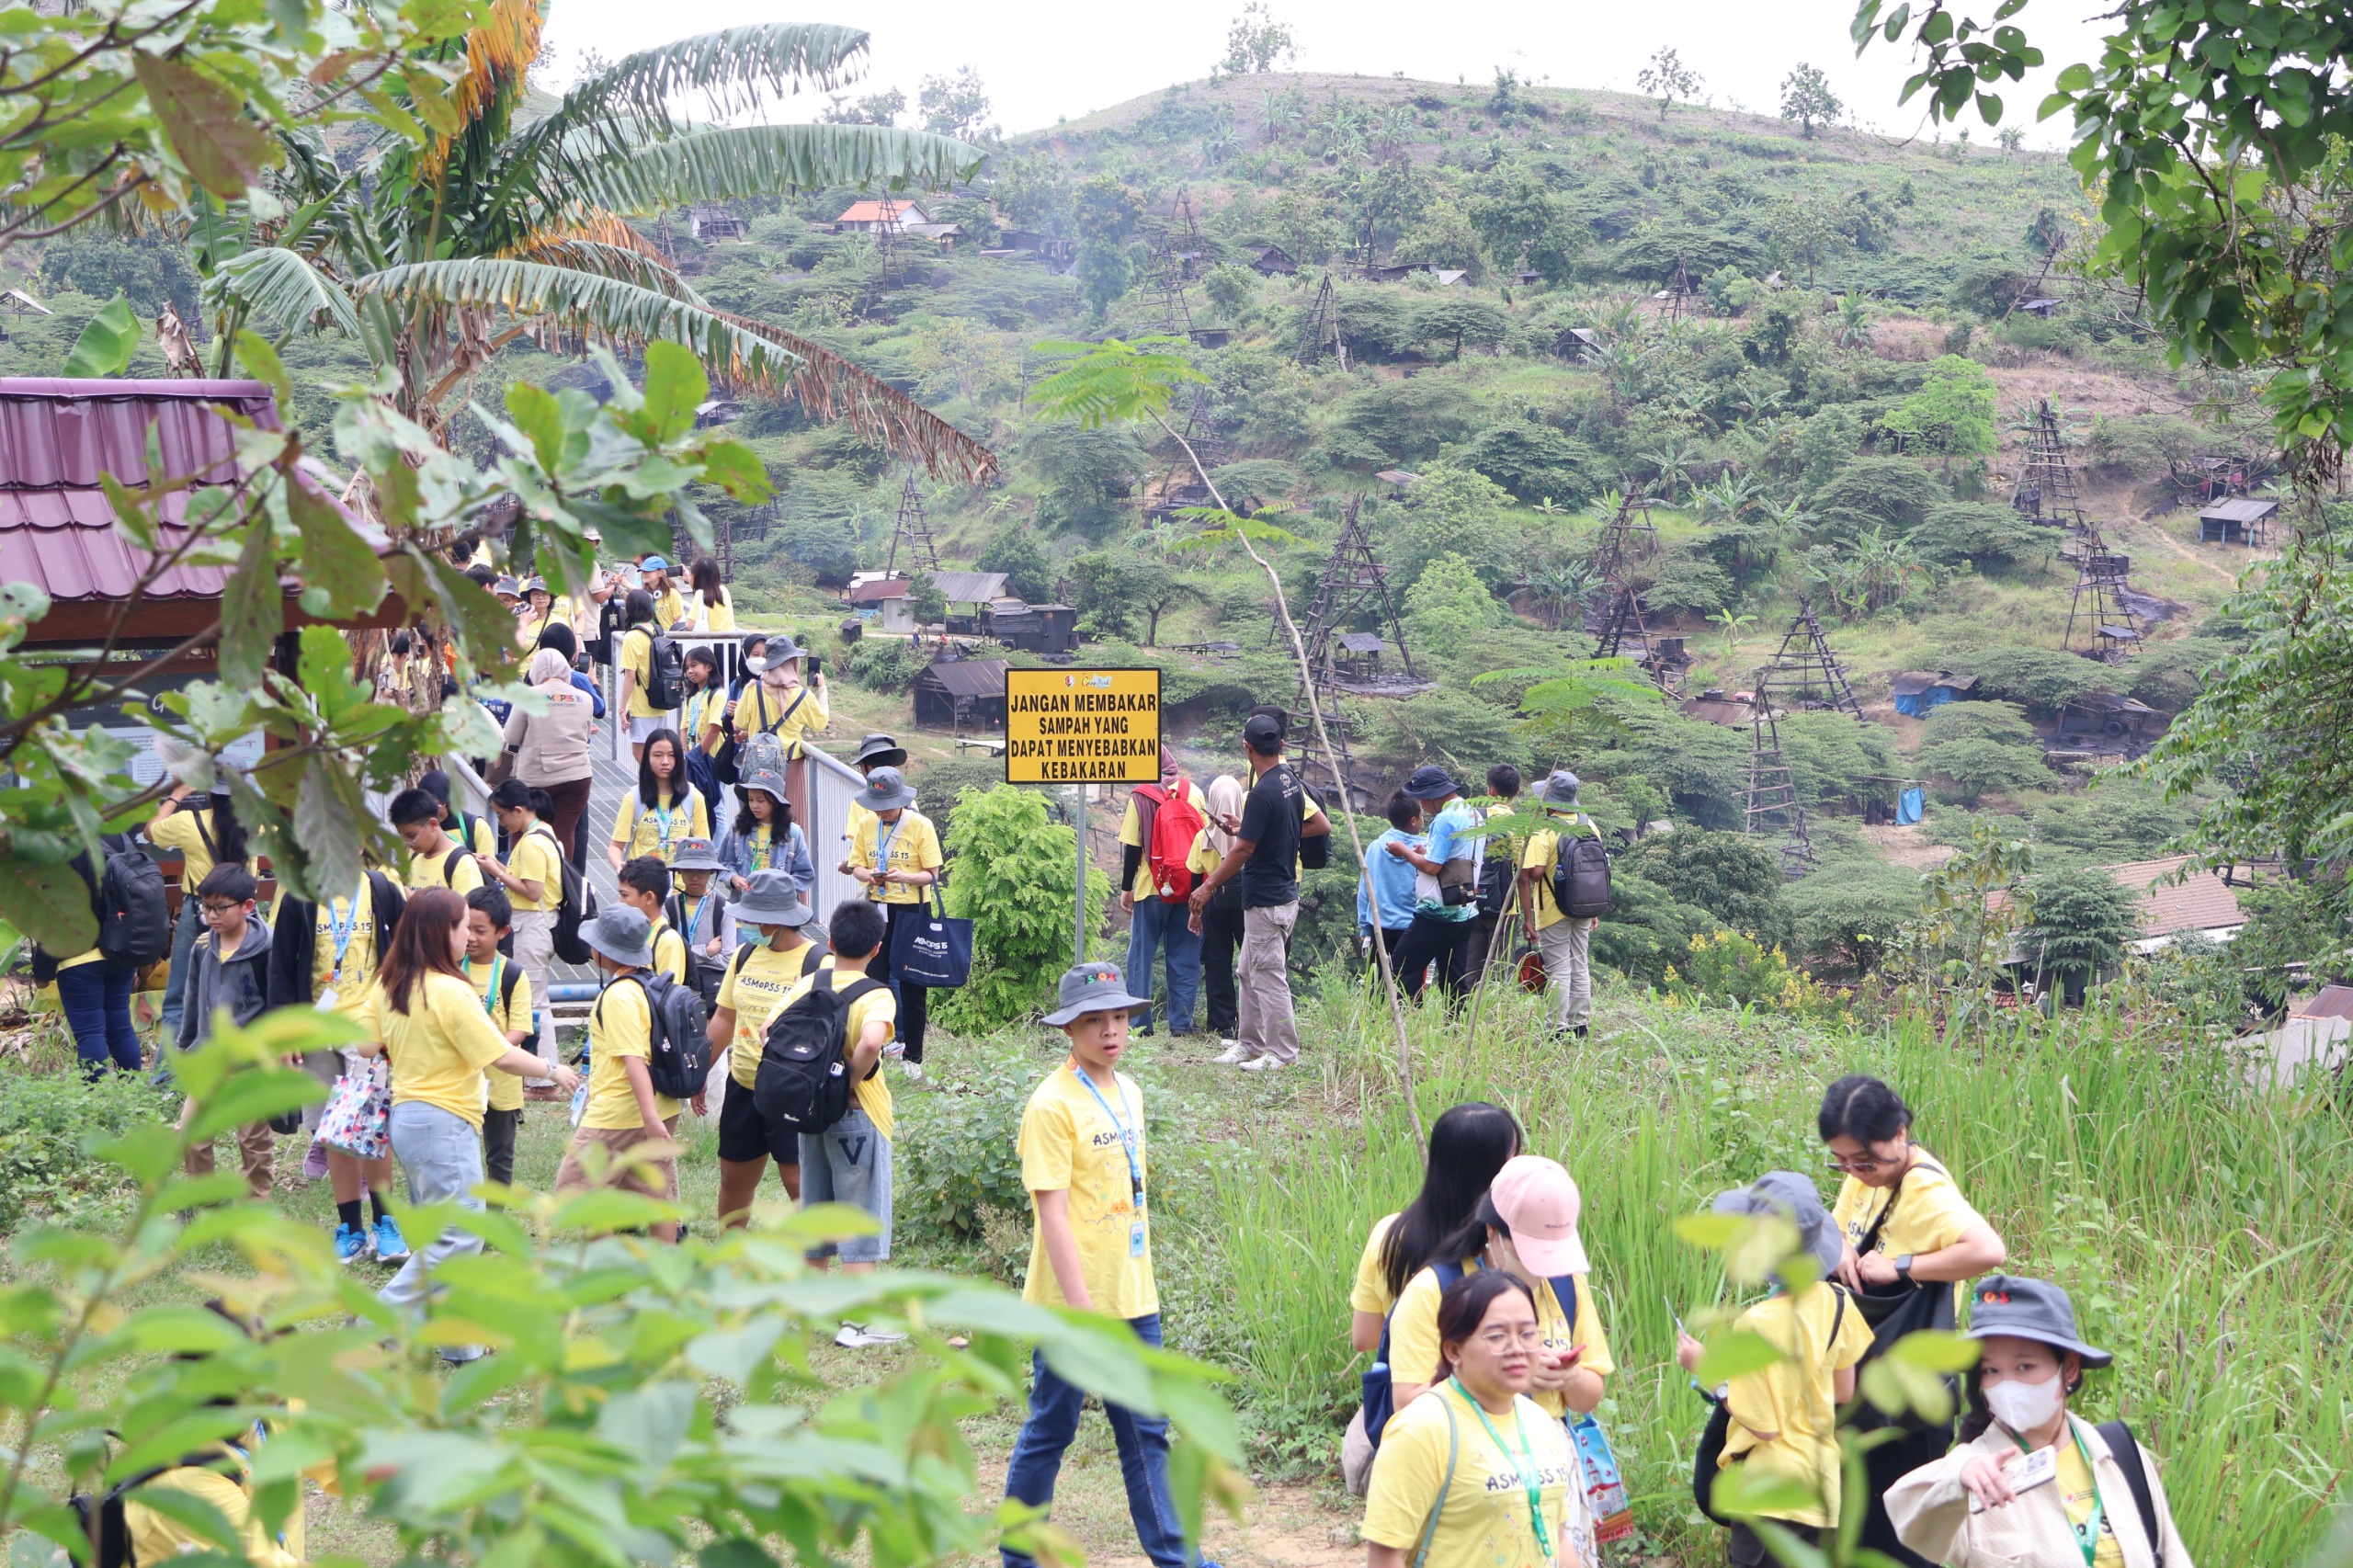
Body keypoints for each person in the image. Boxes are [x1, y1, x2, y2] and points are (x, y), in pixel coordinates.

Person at [1002, 961, 1220, 1568]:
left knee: (1146, 1429)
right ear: (1068, 1029)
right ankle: (1019, 1557)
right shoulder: (1051, 1105)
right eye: (1094, 1021)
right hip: (1071, 1305)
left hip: (1132, 1295)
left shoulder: (1131, 1093)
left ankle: (1177, 1558)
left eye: (1119, 1017)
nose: (1110, 1031)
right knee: (1053, 1426)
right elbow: (1052, 1214)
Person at [351, 890, 577, 1358]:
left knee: (441, 1235)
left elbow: (365, 1046)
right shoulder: (451, 990)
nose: (468, 936)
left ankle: (460, 1347)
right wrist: (552, 1070)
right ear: (443, 932)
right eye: (462, 926)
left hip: (407, 1119)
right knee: (461, 1235)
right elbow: (500, 1055)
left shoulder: (390, 982)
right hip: (444, 1121)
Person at [1820, 1074, 2011, 1568]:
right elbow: (1837, 1228)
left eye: (1864, 1161)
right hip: (1866, 1377)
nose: (1854, 1171)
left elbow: (1989, 1250)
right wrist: (1840, 1249)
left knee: (1899, 1535)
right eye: (1841, 1161)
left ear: (1900, 1134)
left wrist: (1901, 1266)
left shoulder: (1926, 1189)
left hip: (1908, 1392)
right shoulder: (1866, 1174)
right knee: (1854, 1524)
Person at [1886, 1277, 2194, 1568]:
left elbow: (2172, 1556)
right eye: (1991, 1370)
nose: (2007, 1384)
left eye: (2024, 1366)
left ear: (2069, 1368)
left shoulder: (2119, 1455)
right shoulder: (1976, 1473)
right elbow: (1904, 1509)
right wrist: (1961, 1476)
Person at [1676, 1172, 1874, 1563]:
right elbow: (1844, 1391)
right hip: (1820, 1488)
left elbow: (1763, 1424)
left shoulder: (1759, 1323)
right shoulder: (1839, 1302)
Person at [1341, 1102, 1524, 1494]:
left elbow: (1364, 1338)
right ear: (1493, 1172)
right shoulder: (1500, 1252)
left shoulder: (1389, 1233)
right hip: (1482, 1430)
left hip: (1409, 1424)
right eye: (1513, 1157)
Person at [1361, 1270, 1586, 1568]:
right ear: (1454, 1350)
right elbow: (1385, 1556)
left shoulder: (1540, 1421)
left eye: (1527, 1333)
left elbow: (1557, 1537)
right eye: (1496, 1336)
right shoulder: (1421, 1428)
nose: (1517, 1348)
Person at [1383, 1156, 1614, 1429]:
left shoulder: (1566, 1283)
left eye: (1553, 1253)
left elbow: (1588, 1397)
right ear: (1491, 1231)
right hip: (1465, 1449)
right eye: (1529, 1252)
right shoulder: (1432, 1290)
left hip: (1549, 1448)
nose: (1542, 1269)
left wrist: (1569, 1376)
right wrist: (1505, 1379)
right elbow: (1407, 1406)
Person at [267, 865, 409, 1264]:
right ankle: (350, 1229)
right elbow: (281, 966)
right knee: (333, 1131)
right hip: (316, 1029)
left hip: (368, 1030)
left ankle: (385, 1223)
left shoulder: (382, 889)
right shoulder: (299, 894)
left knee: (371, 1127)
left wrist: (398, 1020)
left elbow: (406, 956)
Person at [1188, 713, 1328, 1072]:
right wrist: (1249, 827)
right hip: (1278, 894)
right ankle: (1250, 1044)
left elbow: (1243, 850)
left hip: (1268, 899)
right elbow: (1300, 825)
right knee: (1248, 972)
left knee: (1268, 975)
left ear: (1247, 747)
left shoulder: (1263, 791)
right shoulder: (1289, 781)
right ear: (1281, 745)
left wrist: (1207, 886)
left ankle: (1282, 1053)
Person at [789, 901, 900, 1317]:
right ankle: (856, 1321)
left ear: (831, 941)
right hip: (858, 1113)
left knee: (815, 1212)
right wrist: (845, 1084)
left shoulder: (809, 984)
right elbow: (871, 1041)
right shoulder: (876, 994)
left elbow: (768, 1031)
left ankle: (812, 1312)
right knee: (858, 1217)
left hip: (811, 1113)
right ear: (877, 948)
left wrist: (815, 1086)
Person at [555, 904, 683, 1240]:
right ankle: (664, 1268)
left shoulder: (619, 995)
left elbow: (633, 1060)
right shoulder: (649, 984)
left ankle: (606, 1263)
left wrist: (649, 1120)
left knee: (582, 1195)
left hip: (620, 1111)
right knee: (657, 1196)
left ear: (606, 950)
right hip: (660, 1104)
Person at [700, 871, 824, 1213]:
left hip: (792, 1092)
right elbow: (724, 1017)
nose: (745, 925)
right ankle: (732, 1248)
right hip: (743, 1085)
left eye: (752, 919)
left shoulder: (818, 963)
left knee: (799, 1185)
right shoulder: (744, 955)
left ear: (777, 921)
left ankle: (815, 1250)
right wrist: (700, 1075)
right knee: (733, 1182)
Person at [173, 864, 277, 1199]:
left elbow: (278, 1005)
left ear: (248, 906)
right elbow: (192, 999)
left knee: (253, 1141)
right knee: (191, 1133)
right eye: (206, 907)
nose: (211, 916)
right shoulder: (203, 946)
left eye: (220, 907)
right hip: (208, 1059)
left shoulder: (268, 947)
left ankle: (254, 1204)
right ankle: (206, 1201)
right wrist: (186, 1046)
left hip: (251, 1063)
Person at [841, 765, 941, 1076]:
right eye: (876, 805)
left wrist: (905, 877)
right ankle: (876, 1050)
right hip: (877, 909)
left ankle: (913, 1056)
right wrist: (869, 875)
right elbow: (856, 866)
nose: (881, 811)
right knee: (873, 980)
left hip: (912, 910)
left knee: (913, 984)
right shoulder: (867, 824)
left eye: (887, 805)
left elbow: (932, 875)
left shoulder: (921, 826)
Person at [147, 782, 252, 1045]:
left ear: (209, 794)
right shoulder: (256, 824)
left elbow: (150, 831)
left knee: (179, 998)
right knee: (239, 996)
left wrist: (178, 794)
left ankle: (168, 1069)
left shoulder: (188, 822)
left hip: (199, 914)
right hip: (241, 916)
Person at [34, 835, 144, 1078]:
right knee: (121, 1029)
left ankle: (94, 1096)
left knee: (90, 1032)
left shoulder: (63, 849)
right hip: (120, 952)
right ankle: (133, 1091)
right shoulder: (121, 840)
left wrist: (42, 970)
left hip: (79, 959)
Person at [1120, 757, 1209, 1038]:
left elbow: (1133, 848)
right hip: (1190, 885)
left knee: (1141, 956)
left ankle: (1138, 1025)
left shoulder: (1140, 796)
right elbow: (1207, 840)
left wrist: (1127, 887)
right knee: (1185, 954)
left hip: (1152, 887)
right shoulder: (1194, 792)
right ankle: (1182, 1023)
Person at [478, 779, 563, 1059]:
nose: (502, 823)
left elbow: (532, 890)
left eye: (501, 815)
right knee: (534, 999)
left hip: (533, 924)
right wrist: (495, 865)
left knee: (535, 1002)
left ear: (517, 810)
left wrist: (497, 872)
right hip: (536, 922)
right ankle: (541, 1070)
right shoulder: (542, 832)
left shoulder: (531, 843)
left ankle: (545, 1073)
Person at [1388, 767, 1482, 1009]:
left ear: (1431, 795)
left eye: (1421, 798)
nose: (1422, 805)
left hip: (1438, 912)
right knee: (1455, 978)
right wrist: (1426, 851)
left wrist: (1404, 851)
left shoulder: (1445, 819)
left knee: (1401, 967)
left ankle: (1406, 1020)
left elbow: (1432, 867)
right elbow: (1457, 856)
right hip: (1466, 909)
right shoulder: (1473, 813)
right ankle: (1457, 1023)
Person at [1519, 771, 1602, 1040]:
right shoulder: (1589, 825)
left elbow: (1534, 874)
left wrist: (1521, 859)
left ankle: (1556, 1029)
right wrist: (1593, 909)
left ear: (1549, 799)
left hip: (1553, 910)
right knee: (1580, 964)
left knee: (1558, 970)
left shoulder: (1545, 829)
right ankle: (1579, 1025)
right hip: (1584, 906)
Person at [501, 646, 598, 865]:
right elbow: (585, 735)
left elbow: (511, 736)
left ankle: (522, 879)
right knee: (565, 833)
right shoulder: (585, 698)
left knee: (523, 830)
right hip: (577, 776)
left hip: (537, 777)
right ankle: (562, 881)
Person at [462, 886, 533, 1188]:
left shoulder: (512, 974)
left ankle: (494, 1213)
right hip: (460, 1079)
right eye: (465, 927)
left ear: (503, 932)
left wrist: (490, 1050)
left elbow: (520, 1028)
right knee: (459, 1151)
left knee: (500, 1155)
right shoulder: (450, 968)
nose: (470, 937)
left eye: (480, 931)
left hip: (501, 1081)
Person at [1186, 773, 1247, 1053]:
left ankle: (1223, 1025)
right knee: (1251, 965)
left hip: (1213, 902)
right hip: (1248, 903)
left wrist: (1195, 913)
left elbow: (1195, 879)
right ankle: (1251, 1024)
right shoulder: (1250, 835)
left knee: (1217, 962)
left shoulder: (1203, 836)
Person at [720, 767, 815, 923]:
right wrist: (734, 878)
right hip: (743, 909)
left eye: (760, 800)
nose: (754, 805)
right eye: (750, 799)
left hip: (778, 914)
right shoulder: (738, 828)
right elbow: (724, 864)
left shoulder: (793, 834)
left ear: (775, 802)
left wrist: (779, 888)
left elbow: (805, 875)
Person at [608, 727, 710, 869]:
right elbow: (615, 846)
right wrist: (619, 865)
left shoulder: (693, 797)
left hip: (680, 881)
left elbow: (706, 847)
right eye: (658, 755)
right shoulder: (633, 798)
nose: (665, 761)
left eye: (672, 755)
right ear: (647, 758)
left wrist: (688, 844)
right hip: (642, 880)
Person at [1462, 763, 1524, 987]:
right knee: (1501, 970)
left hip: (1470, 902)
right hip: (1506, 907)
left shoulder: (1472, 817)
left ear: (1490, 790)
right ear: (1517, 792)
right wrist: (1529, 918)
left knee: (1470, 969)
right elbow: (1523, 873)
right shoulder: (1517, 825)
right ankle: (1496, 1007)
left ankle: (1465, 1006)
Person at [1358, 791, 1424, 972]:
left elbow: (1365, 890)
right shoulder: (1425, 850)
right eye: (1422, 816)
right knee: (1409, 981)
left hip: (1379, 928)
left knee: (1380, 981)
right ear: (1413, 820)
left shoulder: (1375, 847)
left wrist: (1364, 926)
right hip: (1414, 928)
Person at [731, 642, 830, 758]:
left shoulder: (752, 689)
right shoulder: (804, 696)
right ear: (793, 664)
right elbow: (821, 724)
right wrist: (822, 688)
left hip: (758, 762)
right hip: (791, 763)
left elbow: (739, 723)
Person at [392, 787, 485, 895]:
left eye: (412, 836)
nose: (408, 842)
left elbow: (469, 906)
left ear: (433, 824)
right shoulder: (415, 858)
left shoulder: (462, 863)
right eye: (403, 837)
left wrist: (414, 900)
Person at [614, 855, 691, 985]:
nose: (619, 902)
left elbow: (668, 994)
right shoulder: (633, 933)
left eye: (624, 895)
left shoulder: (668, 942)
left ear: (649, 897)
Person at [665, 836, 730, 992]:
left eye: (701, 871)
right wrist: (707, 952)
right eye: (688, 871)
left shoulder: (724, 908)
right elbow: (663, 953)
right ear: (679, 871)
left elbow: (727, 959)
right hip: (676, 988)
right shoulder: (667, 907)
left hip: (710, 991)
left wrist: (682, 956)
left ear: (712, 871)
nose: (695, 877)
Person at [615, 587, 669, 758]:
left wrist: (622, 708)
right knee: (657, 752)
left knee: (641, 753)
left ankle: (653, 778)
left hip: (642, 705)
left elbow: (630, 677)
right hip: (660, 702)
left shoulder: (632, 637)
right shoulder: (658, 630)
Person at [842, 732, 907, 859]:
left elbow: (854, 850)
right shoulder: (906, 799)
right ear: (894, 766)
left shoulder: (861, 803)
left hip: (873, 871)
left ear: (864, 767)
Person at [418, 768, 498, 860]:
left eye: (437, 805)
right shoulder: (419, 830)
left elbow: (489, 865)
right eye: (426, 806)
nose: (433, 812)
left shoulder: (476, 826)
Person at [639, 554, 688, 630]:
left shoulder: (673, 594)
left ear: (661, 572)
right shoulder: (646, 594)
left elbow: (680, 622)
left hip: (669, 636)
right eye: (643, 571)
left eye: (649, 570)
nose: (644, 573)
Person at [688, 555, 735, 631]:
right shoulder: (724, 590)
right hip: (729, 637)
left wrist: (691, 582)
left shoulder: (700, 594)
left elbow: (689, 625)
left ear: (697, 576)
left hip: (711, 638)